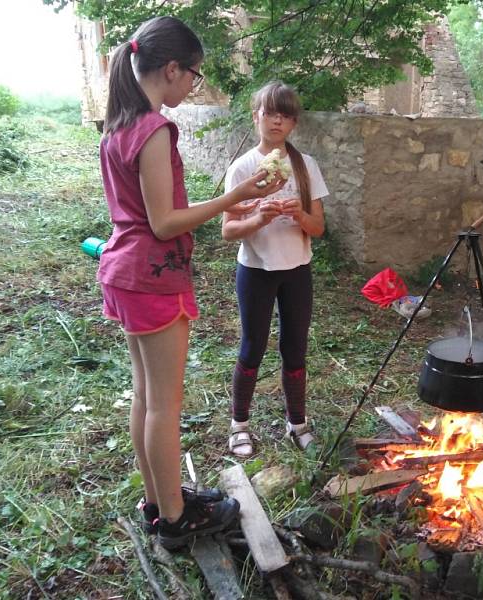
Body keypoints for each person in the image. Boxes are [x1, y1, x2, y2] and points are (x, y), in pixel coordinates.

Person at [97, 16, 288, 549]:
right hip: (153, 276)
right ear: (172, 69)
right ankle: (177, 520)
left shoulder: (118, 125)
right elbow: (164, 222)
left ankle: (160, 500)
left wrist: (235, 197)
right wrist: (234, 197)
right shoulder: (155, 129)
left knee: (146, 397)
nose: (194, 86)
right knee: (164, 404)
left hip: (126, 270)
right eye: (194, 76)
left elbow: (143, 215)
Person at [222, 81, 329, 457]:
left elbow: (318, 227)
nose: (277, 121)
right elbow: (228, 229)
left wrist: (298, 213)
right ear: (257, 117)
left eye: (285, 115)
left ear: (294, 123)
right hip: (255, 270)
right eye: (270, 113)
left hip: (297, 269)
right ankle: (239, 425)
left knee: (295, 348)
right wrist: (258, 218)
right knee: (253, 346)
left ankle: (296, 424)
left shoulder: (305, 167)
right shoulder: (243, 168)